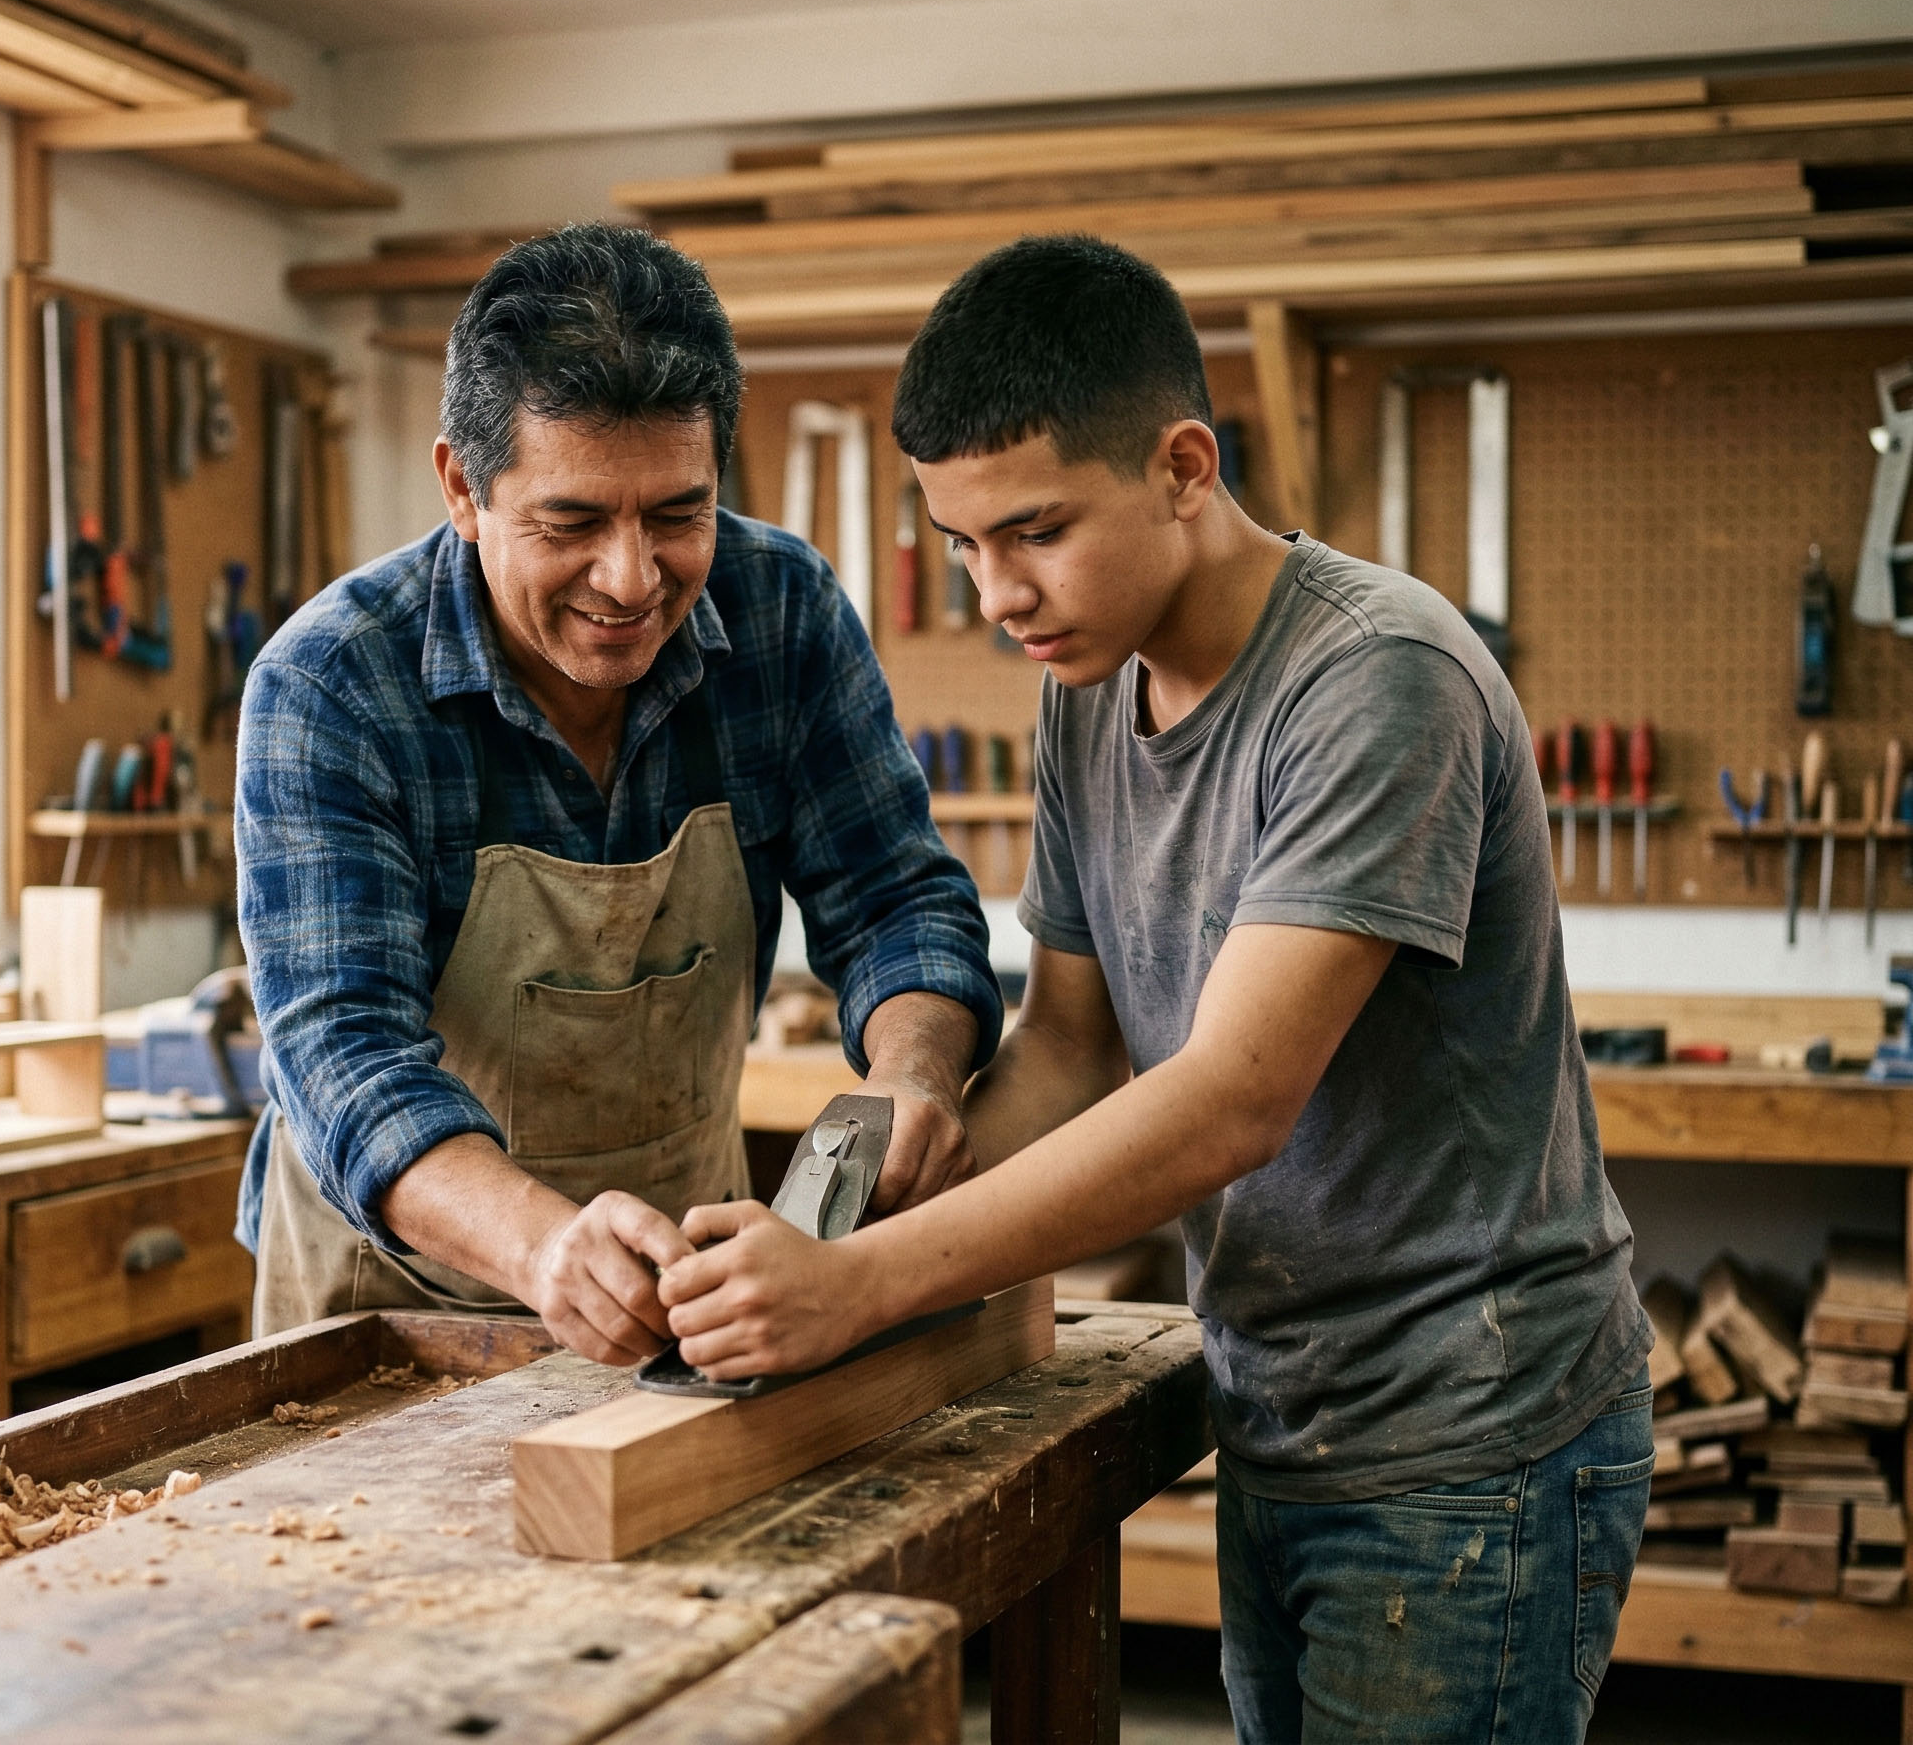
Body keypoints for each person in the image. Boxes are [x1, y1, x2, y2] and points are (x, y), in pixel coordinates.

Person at [658, 235, 1655, 1742]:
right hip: (1281, 1402)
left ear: (1186, 466)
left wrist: (860, 1289)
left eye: (1036, 531)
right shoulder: (1089, 688)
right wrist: (846, 1228)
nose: (999, 592)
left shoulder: (1382, 678)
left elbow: (1228, 1104)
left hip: (1470, 1440)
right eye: (963, 545)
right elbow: (1067, 1048)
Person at [233, 223, 1001, 1367]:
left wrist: (911, 1071)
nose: (633, 580)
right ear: (462, 486)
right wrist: (544, 1247)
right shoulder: (331, 684)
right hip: (394, 1297)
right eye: (573, 522)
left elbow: (895, 899)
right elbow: (344, 1055)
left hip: (691, 1279)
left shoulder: (781, 611)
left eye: (677, 514)